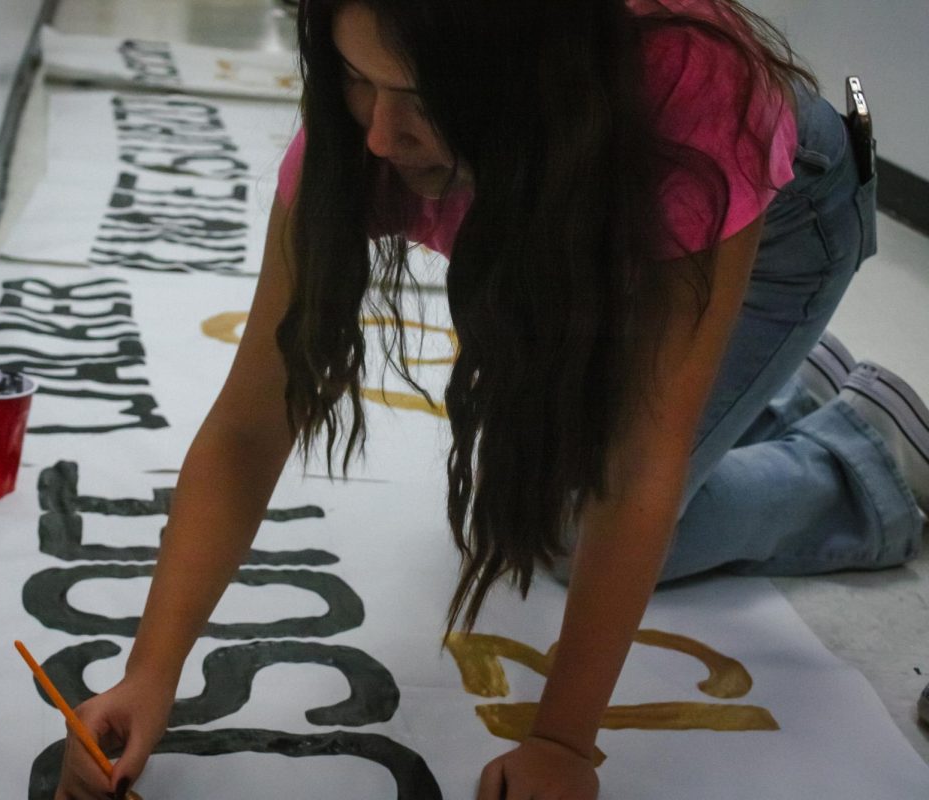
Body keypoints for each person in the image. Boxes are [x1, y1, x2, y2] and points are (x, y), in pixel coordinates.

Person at [53, 1, 929, 798]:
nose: (382, 137)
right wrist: (151, 671)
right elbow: (252, 421)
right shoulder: (360, 135)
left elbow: (638, 464)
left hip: (783, 224)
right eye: (358, 79)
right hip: (601, 230)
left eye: (424, 96)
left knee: (563, 529)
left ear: (532, 78)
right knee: (535, 460)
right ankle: (768, 375)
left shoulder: (692, 97)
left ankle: (862, 454)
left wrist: (564, 744)